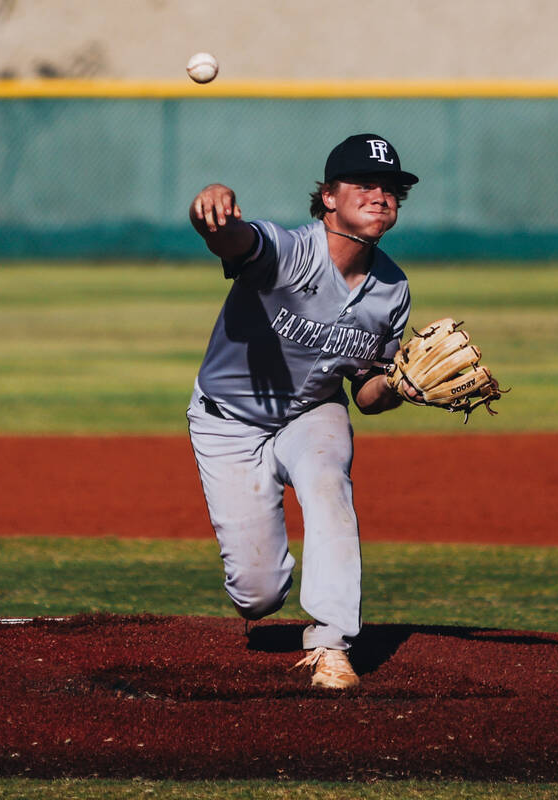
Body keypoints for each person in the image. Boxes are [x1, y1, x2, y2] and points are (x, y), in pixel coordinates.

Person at [186, 133, 420, 689]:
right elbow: (236, 241)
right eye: (364, 184)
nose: (380, 195)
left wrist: (402, 386)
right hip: (228, 422)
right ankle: (268, 593)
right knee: (257, 595)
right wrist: (212, 213)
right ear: (329, 197)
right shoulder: (287, 249)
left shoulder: (393, 289)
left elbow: (366, 394)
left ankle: (331, 643)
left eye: (390, 188)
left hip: (312, 413)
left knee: (326, 480)